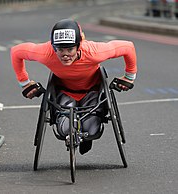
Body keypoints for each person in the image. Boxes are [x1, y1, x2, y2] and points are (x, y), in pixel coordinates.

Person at [11, 19, 137, 155]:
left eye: (70, 49)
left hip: (93, 91)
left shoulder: (93, 51)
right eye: (60, 49)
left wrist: (129, 77)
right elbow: (16, 52)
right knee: (64, 130)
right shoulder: (46, 52)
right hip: (63, 92)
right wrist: (24, 82)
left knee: (92, 130)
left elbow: (128, 47)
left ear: (79, 46)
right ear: (53, 47)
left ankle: (86, 138)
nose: (65, 55)